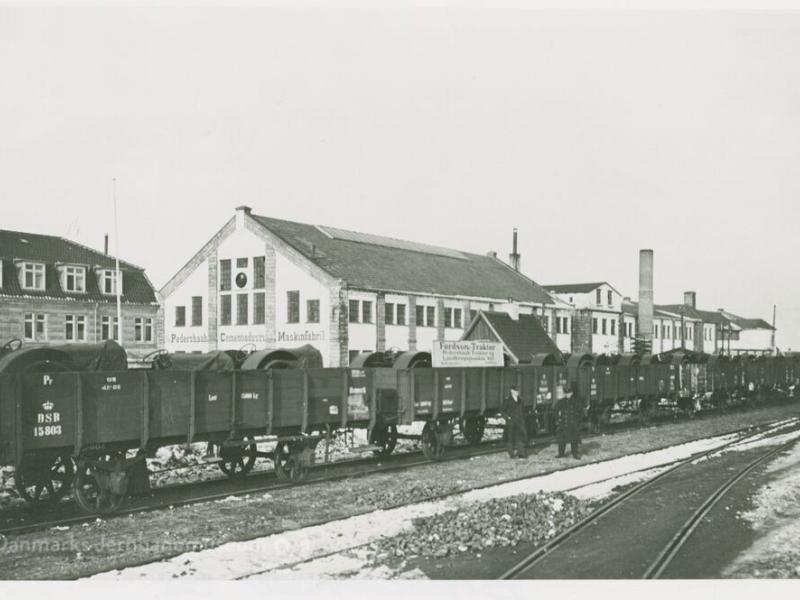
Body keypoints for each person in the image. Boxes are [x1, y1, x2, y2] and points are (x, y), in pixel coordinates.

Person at [555, 382, 582, 459]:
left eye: (569, 393)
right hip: (564, 423)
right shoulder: (561, 401)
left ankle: (575, 454)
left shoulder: (576, 401)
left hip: (573, 424)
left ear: (572, 393)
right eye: (566, 393)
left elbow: (581, 412)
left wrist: (578, 420)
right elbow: (555, 410)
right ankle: (561, 454)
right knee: (561, 440)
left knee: (574, 440)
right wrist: (558, 419)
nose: (567, 395)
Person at [502, 384, 528, 458]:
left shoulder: (520, 400)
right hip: (511, 423)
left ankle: (521, 454)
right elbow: (502, 410)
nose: (517, 392)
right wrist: (507, 418)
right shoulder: (507, 400)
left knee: (520, 438)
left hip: (519, 422)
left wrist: (523, 418)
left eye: (518, 391)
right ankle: (512, 454)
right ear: (512, 391)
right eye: (516, 391)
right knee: (510, 439)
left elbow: (523, 411)